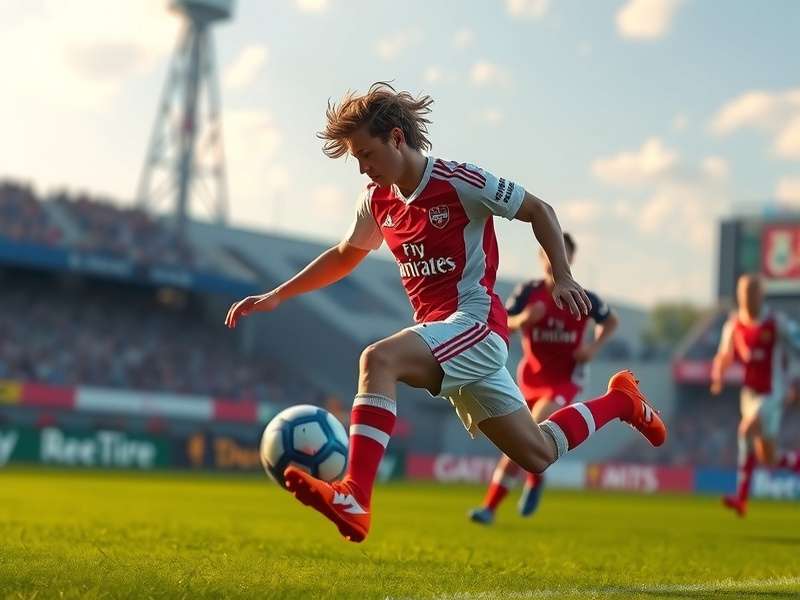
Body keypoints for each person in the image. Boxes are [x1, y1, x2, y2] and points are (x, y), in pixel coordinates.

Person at [225, 82, 666, 543]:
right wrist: (278, 294)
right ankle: (623, 401)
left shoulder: (460, 181)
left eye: (366, 153)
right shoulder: (377, 201)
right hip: (442, 334)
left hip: (476, 325)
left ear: (396, 138)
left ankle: (354, 495)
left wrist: (562, 275)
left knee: (378, 360)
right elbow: (344, 254)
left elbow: (540, 210)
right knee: (536, 454)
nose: (361, 167)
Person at [469, 233, 618, 524]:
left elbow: (611, 321)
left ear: (570, 259)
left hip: (563, 380)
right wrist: (523, 319)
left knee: (531, 428)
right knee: (517, 441)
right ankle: (534, 482)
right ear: (541, 258)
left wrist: (593, 348)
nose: (554, 259)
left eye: (561, 253)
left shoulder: (582, 297)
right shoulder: (528, 293)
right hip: (530, 379)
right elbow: (503, 322)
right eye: (549, 253)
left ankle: (489, 509)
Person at [711, 273, 800, 517]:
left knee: (746, 429)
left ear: (761, 294)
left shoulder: (776, 322)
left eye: (752, 292)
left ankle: (741, 498)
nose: (747, 298)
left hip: (773, 392)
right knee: (768, 457)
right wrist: (719, 373)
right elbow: (724, 355)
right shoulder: (733, 325)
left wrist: (796, 381)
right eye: (743, 293)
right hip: (749, 394)